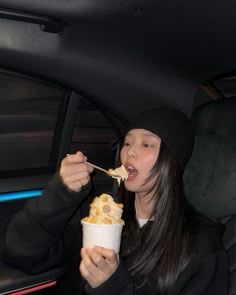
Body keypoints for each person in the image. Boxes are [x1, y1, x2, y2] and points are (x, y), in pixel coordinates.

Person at [2, 107, 228, 295]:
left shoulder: (202, 248)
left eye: (146, 145)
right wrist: (60, 194)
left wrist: (112, 287)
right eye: (128, 143)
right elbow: (21, 255)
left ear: (173, 162)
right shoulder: (101, 213)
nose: (130, 152)